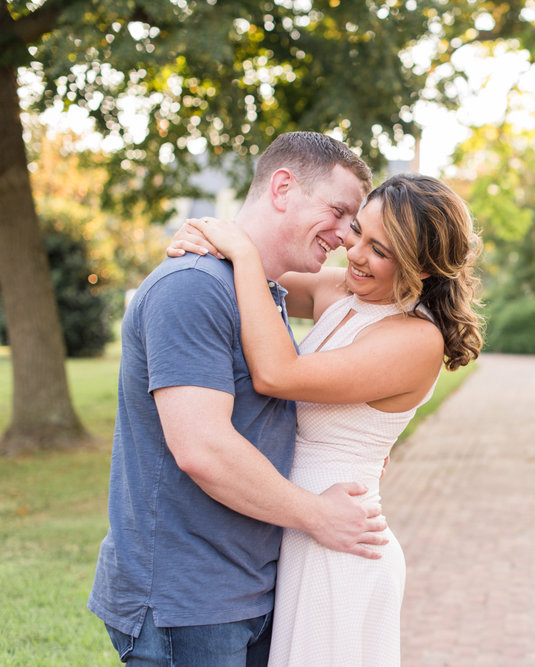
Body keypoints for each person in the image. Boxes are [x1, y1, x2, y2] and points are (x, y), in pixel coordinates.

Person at [88, 131, 390, 666]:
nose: (347, 237)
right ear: (282, 188)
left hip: (246, 588)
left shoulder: (260, 289)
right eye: (340, 212)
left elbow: (381, 288)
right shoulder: (193, 286)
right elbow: (202, 448)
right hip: (188, 601)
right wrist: (317, 515)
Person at [173, 173, 483, 665]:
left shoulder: (414, 339)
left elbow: (276, 373)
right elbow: (252, 280)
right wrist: (207, 238)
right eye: (356, 231)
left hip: (338, 544)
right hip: (299, 523)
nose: (354, 253)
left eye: (380, 250)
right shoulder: (341, 294)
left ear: (422, 268)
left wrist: (244, 254)